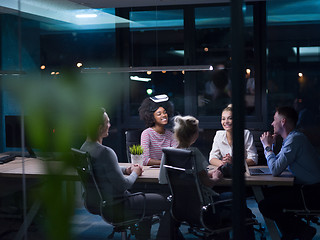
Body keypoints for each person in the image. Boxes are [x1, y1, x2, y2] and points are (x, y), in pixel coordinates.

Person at [80, 107, 179, 240]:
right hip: (119, 204)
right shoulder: (105, 152)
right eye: (107, 122)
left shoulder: (84, 148)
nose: (110, 125)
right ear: (99, 128)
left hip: (97, 203)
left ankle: (143, 237)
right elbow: (123, 185)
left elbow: (102, 169)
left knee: (147, 202)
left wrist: (125, 170)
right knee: (171, 201)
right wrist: (135, 173)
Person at [160, 115, 255, 240]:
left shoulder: (168, 153)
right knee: (238, 200)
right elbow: (209, 183)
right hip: (205, 207)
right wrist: (216, 177)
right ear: (194, 135)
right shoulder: (193, 153)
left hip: (181, 208)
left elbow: (164, 179)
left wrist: (200, 175)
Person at [259, 106, 320, 240]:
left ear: (283, 121)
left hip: (312, 193)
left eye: (275, 119)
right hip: (306, 188)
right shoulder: (292, 139)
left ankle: (303, 230)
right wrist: (272, 146)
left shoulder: (294, 140)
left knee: (265, 205)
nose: (272, 123)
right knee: (266, 193)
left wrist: (267, 147)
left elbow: (275, 170)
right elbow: (277, 165)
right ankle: (291, 232)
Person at [139, 95, 178, 166]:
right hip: (151, 172)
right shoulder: (146, 134)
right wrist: (165, 163)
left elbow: (176, 157)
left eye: (165, 112)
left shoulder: (171, 135)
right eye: (159, 114)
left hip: (168, 171)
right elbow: (145, 160)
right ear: (152, 117)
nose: (163, 115)